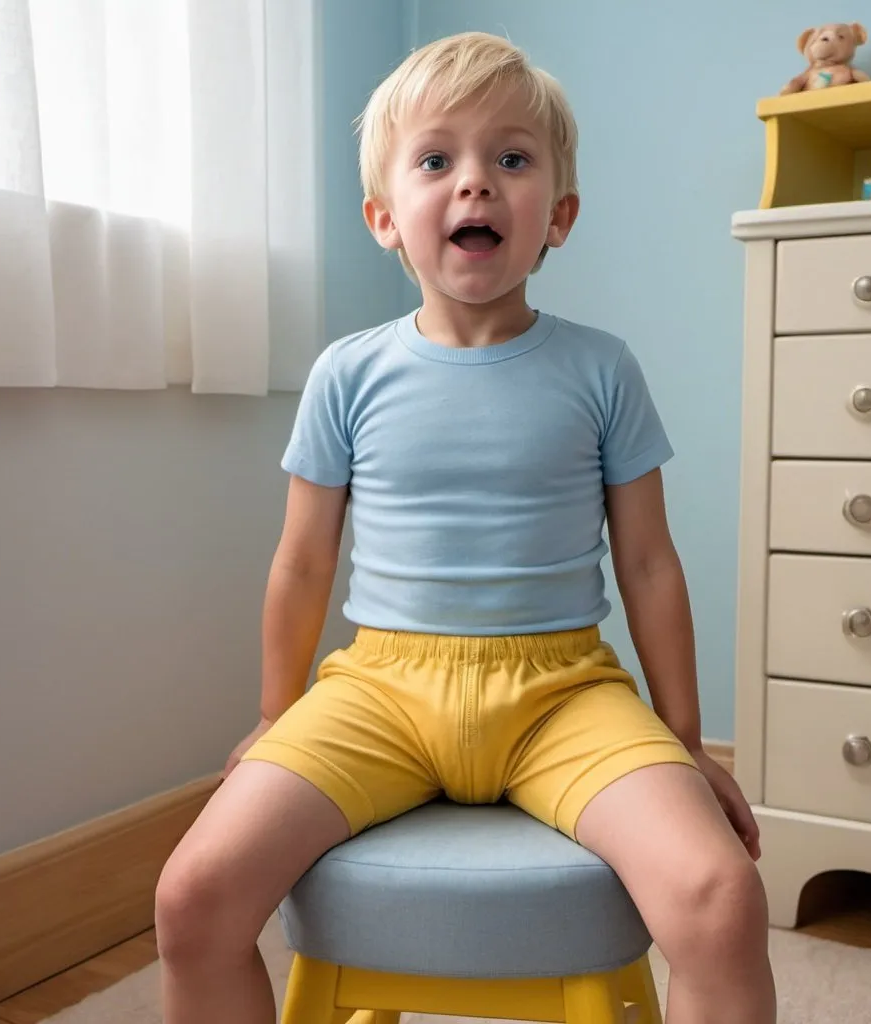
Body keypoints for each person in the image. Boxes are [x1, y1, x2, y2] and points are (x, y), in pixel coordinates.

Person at [154, 30, 777, 1024]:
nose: (475, 184)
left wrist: (687, 738)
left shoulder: (601, 369)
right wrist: (278, 712)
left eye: (511, 159)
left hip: (561, 692)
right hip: (381, 691)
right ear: (384, 218)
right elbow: (303, 558)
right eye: (437, 159)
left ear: (558, 217)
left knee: (719, 896)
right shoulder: (346, 374)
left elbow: (649, 563)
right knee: (190, 897)